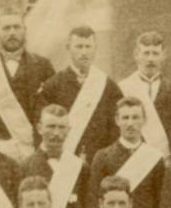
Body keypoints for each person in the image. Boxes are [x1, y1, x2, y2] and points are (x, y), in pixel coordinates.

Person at [0, 8, 55, 158]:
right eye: (6, 28)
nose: (12, 33)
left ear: (24, 30)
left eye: (17, 27)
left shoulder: (43, 66)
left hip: (34, 150)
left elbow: (53, 108)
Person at [35, 26, 124, 161]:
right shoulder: (53, 85)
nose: (84, 52)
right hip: (62, 159)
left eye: (88, 47)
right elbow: (42, 127)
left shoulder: (109, 86)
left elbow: (116, 128)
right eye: (79, 46)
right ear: (68, 47)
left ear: (95, 48)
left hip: (98, 160)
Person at [88, 96, 168, 208]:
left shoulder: (155, 157)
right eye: (125, 118)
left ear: (144, 120)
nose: (130, 123)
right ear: (117, 120)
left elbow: (160, 201)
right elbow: (94, 200)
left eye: (135, 117)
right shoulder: (103, 157)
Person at [21, 104, 92, 208]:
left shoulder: (80, 168)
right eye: (51, 126)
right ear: (39, 128)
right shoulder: (25, 167)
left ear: (68, 130)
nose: (56, 133)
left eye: (61, 127)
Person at [116, 31, 171, 157]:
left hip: (164, 160)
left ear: (163, 56)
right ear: (136, 55)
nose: (150, 59)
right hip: (131, 158)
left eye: (155, 53)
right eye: (146, 53)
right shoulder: (121, 89)